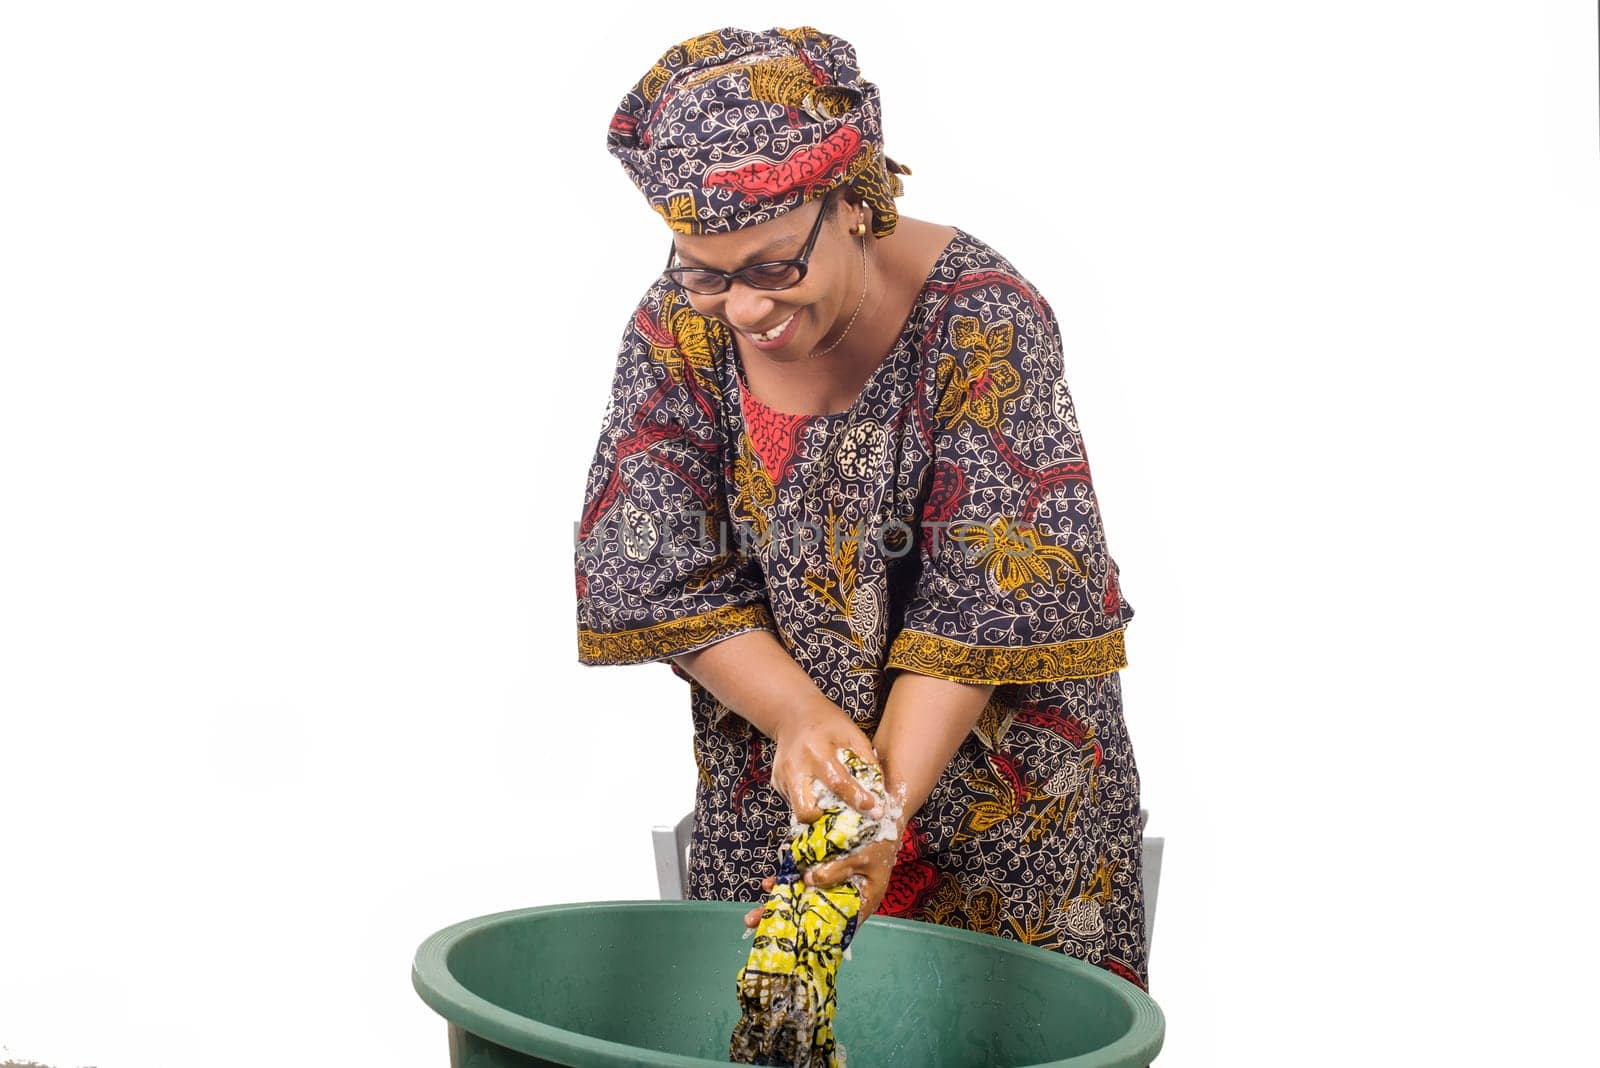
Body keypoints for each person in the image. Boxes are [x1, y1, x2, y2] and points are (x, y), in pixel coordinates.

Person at [576, 25, 1149, 991]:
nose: (744, 309)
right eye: (705, 271)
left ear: (852, 203)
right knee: (776, 1026)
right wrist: (798, 719)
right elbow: (657, 566)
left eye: (771, 268)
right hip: (790, 798)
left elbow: (993, 596)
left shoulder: (984, 321)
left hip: (1002, 815)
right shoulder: (680, 327)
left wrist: (882, 812)